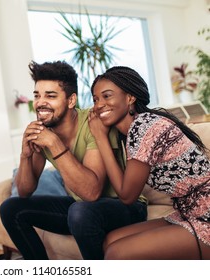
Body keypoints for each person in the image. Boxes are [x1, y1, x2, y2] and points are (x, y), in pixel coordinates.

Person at [0, 60, 147, 260]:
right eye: (37, 95)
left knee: (79, 211)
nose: (41, 102)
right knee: (11, 208)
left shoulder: (95, 122)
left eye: (51, 96)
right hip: (84, 210)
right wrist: (25, 155)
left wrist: (54, 144)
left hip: (126, 207)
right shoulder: (42, 132)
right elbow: (25, 191)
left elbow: (92, 192)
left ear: (71, 101)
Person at [89, 66, 210, 259]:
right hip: (189, 212)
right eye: (95, 99)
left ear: (130, 98)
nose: (99, 105)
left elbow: (127, 196)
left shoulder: (145, 126)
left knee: (116, 253)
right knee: (109, 240)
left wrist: (100, 137)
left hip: (206, 216)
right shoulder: (133, 132)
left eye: (107, 96)